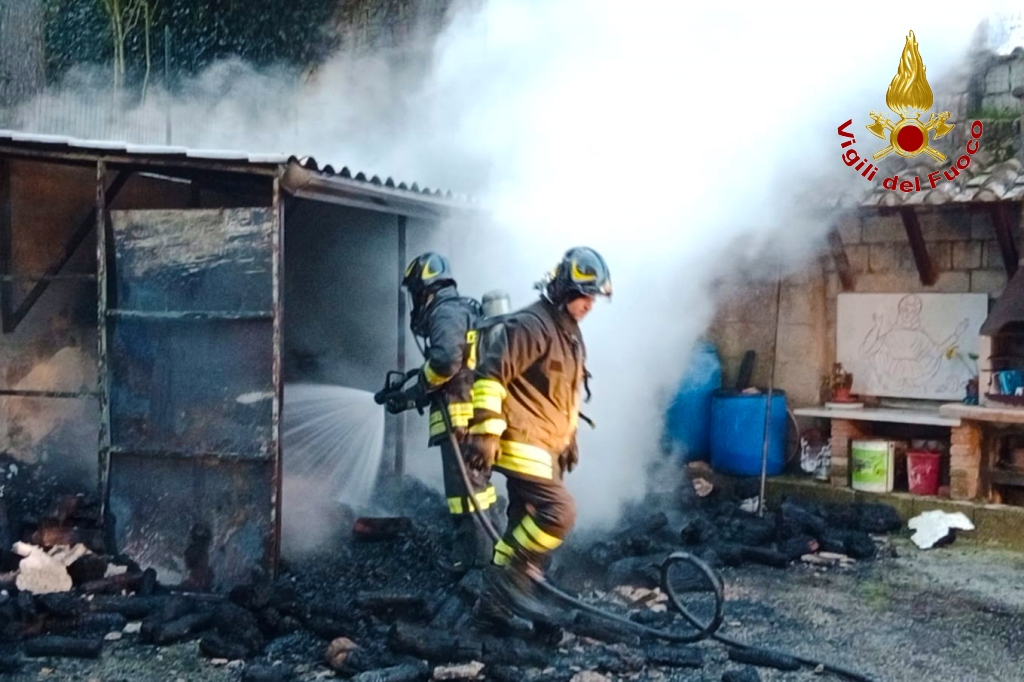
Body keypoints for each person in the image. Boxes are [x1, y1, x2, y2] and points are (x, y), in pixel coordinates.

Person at [462, 246, 612, 630]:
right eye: (584, 294)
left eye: (594, 297)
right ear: (564, 290)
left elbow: (563, 392)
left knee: (522, 522)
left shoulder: (569, 332)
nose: (590, 304)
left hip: (547, 446)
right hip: (521, 443)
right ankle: (509, 577)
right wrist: (485, 431)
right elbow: (491, 375)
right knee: (558, 513)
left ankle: (493, 608)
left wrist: (570, 438)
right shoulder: (532, 325)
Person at [386, 251, 497, 573]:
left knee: (468, 494)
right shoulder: (462, 309)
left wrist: (417, 389)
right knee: (474, 493)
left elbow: (446, 362)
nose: (415, 301)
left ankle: (477, 566)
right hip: (469, 419)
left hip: (461, 421)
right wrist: (410, 395)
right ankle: (483, 558)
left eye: (415, 292)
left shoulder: (444, 312)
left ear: (425, 288)